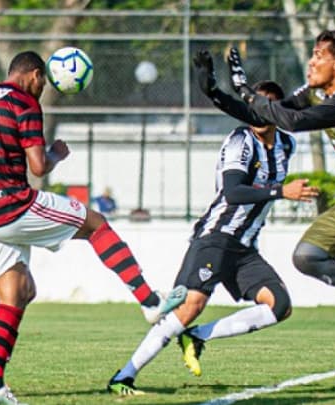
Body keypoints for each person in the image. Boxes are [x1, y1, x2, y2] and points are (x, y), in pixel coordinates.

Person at [195, 29, 335, 405]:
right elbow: (267, 114)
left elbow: (294, 122)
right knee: (307, 257)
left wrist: (244, 87)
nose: (311, 61)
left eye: (319, 55)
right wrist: (216, 91)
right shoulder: (314, 91)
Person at [0, 50, 187, 404]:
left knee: (13, 296)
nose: (43, 86)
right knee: (96, 225)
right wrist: (56, 155)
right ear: (32, 74)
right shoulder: (23, 101)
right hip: (12, 205)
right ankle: (150, 301)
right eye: (43, 80)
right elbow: (38, 167)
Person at [107, 80, 318, 395]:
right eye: (254, 106)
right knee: (190, 305)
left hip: (245, 247)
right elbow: (233, 192)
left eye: (266, 107)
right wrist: (281, 191)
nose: (258, 113)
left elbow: (298, 104)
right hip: (217, 237)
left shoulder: (286, 145)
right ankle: (123, 377)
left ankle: (198, 336)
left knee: (280, 305)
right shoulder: (240, 141)